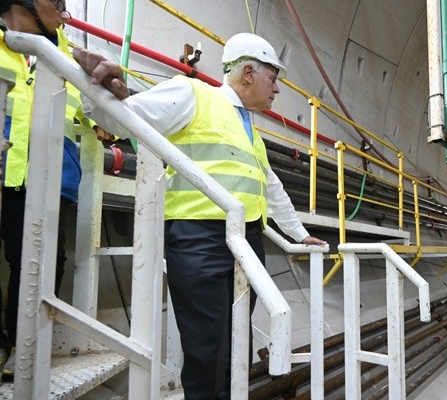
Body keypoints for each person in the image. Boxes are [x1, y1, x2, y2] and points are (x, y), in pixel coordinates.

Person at [73, 32, 326, 399]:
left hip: (246, 241)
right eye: (273, 79)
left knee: (235, 341)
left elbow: (271, 187)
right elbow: (122, 119)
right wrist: (98, 87)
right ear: (249, 73)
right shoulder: (193, 94)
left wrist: (299, 234)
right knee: (207, 347)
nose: (276, 89)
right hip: (200, 238)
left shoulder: (249, 130)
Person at [0, 0, 111, 377]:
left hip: (49, 177)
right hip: (6, 169)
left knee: (41, 264)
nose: (65, 14)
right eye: (58, 3)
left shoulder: (68, 56)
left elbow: (101, 115)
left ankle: (24, 345)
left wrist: (108, 104)